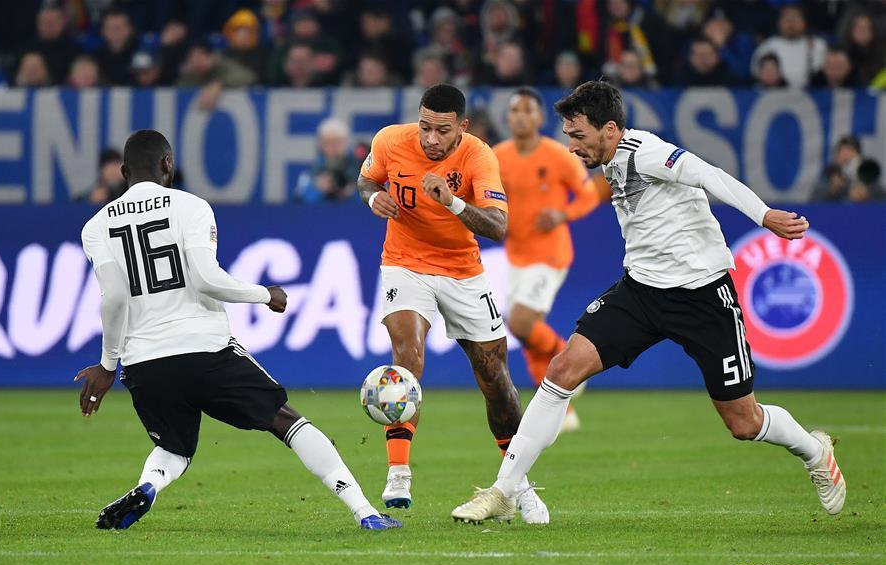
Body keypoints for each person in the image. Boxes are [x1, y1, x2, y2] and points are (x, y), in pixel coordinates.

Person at [451, 81, 845, 523]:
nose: (571, 146)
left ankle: (815, 451)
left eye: (578, 135)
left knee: (744, 422)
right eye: (568, 135)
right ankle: (504, 491)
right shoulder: (606, 159)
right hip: (641, 291)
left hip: (702, 296)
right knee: (562, 370)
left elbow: (709, 174)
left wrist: (764, 215)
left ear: (610, 129)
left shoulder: (648, 152)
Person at [76, 129, 401, 531]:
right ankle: (365, 511)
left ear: (124, 172)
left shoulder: (96, 226)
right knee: (286, 421)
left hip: (144, 363)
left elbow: (112, 299)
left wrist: (108, 365)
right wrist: (265, 294)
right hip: (204, 349)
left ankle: (148, 486)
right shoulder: (191, 207)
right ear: (168, 165)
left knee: (174, 447)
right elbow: (206, 279)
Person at [358, 84, 548, 523]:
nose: (430, 139)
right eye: (424, 127)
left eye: (441, 131)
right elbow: (366, 178)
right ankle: (398, 472)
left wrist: (452, 201)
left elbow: (498, 227)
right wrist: (372, 197)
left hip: (463, 272)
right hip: (404, 263)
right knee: (407, 358)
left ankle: (517, 485)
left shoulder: (478, 156)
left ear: (462, 127)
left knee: (496, 379)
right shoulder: (390, 140)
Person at [493, 87, 605, 433]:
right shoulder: (497, 156)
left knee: (521, 323)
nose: (520, 116)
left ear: (540, 118)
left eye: (527, 110)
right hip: (516, 255)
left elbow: (588, 194)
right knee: (528, 337)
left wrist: (562, 214)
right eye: (515, 110)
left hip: (549, 254)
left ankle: (571, 362)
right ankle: (562, 409)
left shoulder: (558, 155)